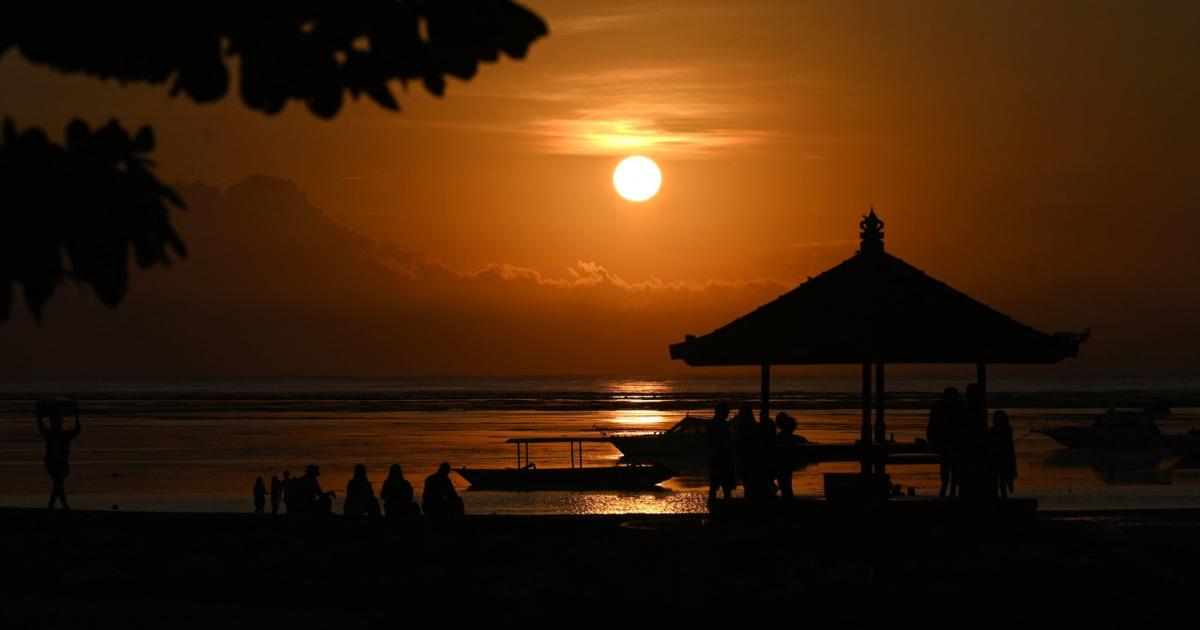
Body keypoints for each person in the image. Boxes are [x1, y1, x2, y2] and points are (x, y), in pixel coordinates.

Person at [36, 399, 81, 511]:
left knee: (58, 483)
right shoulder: (55, 434)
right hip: (52, 462)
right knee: (58, 483)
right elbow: (77, 429)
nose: (55, 424)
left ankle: (56, 506)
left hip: (59, 462)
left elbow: (77, 429)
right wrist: (76, 414)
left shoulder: (60, 435)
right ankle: (59, 505)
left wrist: (77, 415)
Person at [927, 387, 962, 498]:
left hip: (942, 443)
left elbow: (932, 426)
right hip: (952, 444)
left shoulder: (938, 407)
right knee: (953, 461)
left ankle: (945, 487)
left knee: (947, 462)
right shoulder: (959, 407)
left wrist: (932, 439)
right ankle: (951, 488)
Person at [706, 401, 735, 501]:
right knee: (725, 486)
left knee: (715, 485)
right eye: (727, 411)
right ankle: (724, 507)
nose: (728, 413)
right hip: (722, 459)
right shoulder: (724, 425)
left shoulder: (712, 424)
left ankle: (713, 505)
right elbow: (728, 442)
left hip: (716, 458)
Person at [731, 402, 759, 498]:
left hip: (744, 457)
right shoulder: (754, 425)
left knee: (748, 482)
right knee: (750, 482)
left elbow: (736, 440)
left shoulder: (740, 426)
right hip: (750, 457)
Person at [989, 410, 1018, 499]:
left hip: (1000, 461)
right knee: (1001, 485)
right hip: (1002, 461)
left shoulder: (996, 431)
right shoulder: (1007, 431)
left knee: (1000, 484)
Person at [774, 412, 803, 499]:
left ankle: (787, 499)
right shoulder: (789, 436)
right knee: (786, 483)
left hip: (783, 464)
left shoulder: (781, 436)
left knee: (784, 484)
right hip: (788, 463)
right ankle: (788, 498)